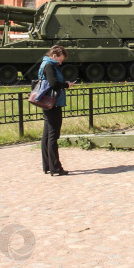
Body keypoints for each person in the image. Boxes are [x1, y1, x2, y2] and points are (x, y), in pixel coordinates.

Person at [39, 45, 74, 176]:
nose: (60, 62)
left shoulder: (45, 63)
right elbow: (53, 83)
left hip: (47, 102)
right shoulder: (49, 65)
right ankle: (55, 167)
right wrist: (66, 85)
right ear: (54, 55)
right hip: (53, 103)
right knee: (53, 135)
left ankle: (47, 165)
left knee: (47, 135)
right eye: (60, 60)